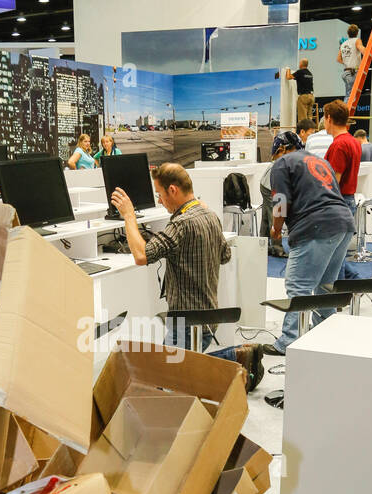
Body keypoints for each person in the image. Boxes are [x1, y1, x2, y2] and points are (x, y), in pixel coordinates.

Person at [110, 162, 264, 391]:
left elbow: (141, 255)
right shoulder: (210, 216)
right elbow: (225, 255)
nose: (159, 201)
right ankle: (239, 355)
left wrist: (129, 217)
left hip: (187, 322)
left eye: (160, 195)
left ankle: (236, 357)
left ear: (173, 190)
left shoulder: (181, 224)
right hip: (208, 318)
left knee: (161, 378)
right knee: (181, 366)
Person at [269, 141, 356, 354]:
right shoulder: (320, 161)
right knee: (326, 285)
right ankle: (323, 334)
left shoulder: (282, 163)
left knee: (298, 286)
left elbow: (280, 201)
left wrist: (276, 229)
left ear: (281, 150)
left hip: (316, 226)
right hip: (344, 222)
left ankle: (289, 341)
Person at [323, 101, 362, 281]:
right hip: (347, 202)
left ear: (329, 118)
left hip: (337, 204)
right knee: (337, 256)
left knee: (332, 260)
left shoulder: (339, 145)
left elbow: (333, 182)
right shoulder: (353, 142)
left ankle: (333, 301)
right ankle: (354, 283)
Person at [263, 130, 302, 256]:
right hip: (268, 185)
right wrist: (277, 229)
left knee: (266, 215)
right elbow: (279, 208)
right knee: (272, 215)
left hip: (265, 182)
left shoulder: (282, 155)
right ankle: (277, 248)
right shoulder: (280, 164)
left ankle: (261, 244)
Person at [337, 24, 364, 99]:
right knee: (349, 97)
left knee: (349, 95)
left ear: (348, 33)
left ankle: (345, 110)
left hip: (346, 72)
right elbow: (361, 49)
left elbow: (338, 59)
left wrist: (347, 63)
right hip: (352, 73)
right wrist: (368, 53)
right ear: (357, 33)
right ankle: (344, 111)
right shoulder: (357, 41)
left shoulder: (343, 44)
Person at [286, 59, 315, 125]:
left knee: (303, 119)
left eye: (299, 63)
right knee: (309, 118)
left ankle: (304, 133)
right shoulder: (310, 73)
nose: (299, 64)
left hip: (304, 97)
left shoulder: (300, 72)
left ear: (301, 64)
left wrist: (288, 69)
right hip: (311, 96)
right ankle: (310, 132)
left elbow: (288, 77)